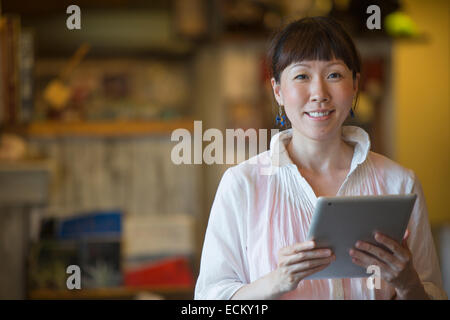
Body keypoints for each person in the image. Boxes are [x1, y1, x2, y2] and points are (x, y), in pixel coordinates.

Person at [194, 16, 447, 300]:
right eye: (302, 76)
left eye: (334, 75)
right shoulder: (242, 184)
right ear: (277, 90)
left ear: (355, 86)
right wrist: (276, 281)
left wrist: (408, 283)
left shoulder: (399, 182)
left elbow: (432, 291)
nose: (319, 94)